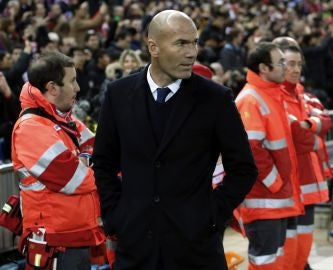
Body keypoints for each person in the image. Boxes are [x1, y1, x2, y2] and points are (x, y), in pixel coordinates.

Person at [93, 10, 258, 270]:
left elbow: (244, 169)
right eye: (181, 43)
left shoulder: (216, 99)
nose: (192, 52)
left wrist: (211, 216)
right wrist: (116, 215)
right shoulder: (118, 94)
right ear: (153, 47)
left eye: (194, 42)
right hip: (135, 247)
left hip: (196, 250)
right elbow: (103, 163)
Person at [11, 52, 105, 269]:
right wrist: (90, 166)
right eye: (72, 81)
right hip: (56, 240)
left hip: (74, 234)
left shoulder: (62, 118)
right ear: (52, 88)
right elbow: (76, 179)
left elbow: (98, 148)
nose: (78, 88)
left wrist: (82, 160)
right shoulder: (31, 128)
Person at [234, 42, 303, 270]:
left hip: (277, 198)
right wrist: (275, 182)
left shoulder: (273, 94)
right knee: (265, 263)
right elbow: (250, 150)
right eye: (280, 62)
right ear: (264, 68)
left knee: (278, 261)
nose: (285, 67)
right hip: (264, 200)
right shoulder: (251, 99)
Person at [273, 37, 333, 270]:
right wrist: (311, 129)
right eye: (289, 63)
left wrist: (307, 124)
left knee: (303, 242)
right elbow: (301, 138)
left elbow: (325, 121)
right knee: (286, 246)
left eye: (299, 63)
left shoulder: (306, 95)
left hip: (308, 182)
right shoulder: (274, 98)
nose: (295, 69)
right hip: (287, 184)